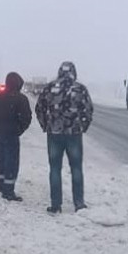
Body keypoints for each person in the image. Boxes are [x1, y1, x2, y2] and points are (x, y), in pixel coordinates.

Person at [35, 61, 94, 214]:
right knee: (76, 168)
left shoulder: (49, 88)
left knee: (55, 169)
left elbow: (39, 108)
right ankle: (79, 203)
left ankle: (56, 205)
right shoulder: (80, 89)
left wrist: (46, 125)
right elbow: (88, 110)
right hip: (74, 134)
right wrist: (82, 126)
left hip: (54, 134)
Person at [0, 72, 32, 201]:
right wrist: (18, 130)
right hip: (11, 134)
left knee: (2, 159)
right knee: (11, 162)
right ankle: (8, 191)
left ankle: (1, 185)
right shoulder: (20, 98)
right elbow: (27, 117)